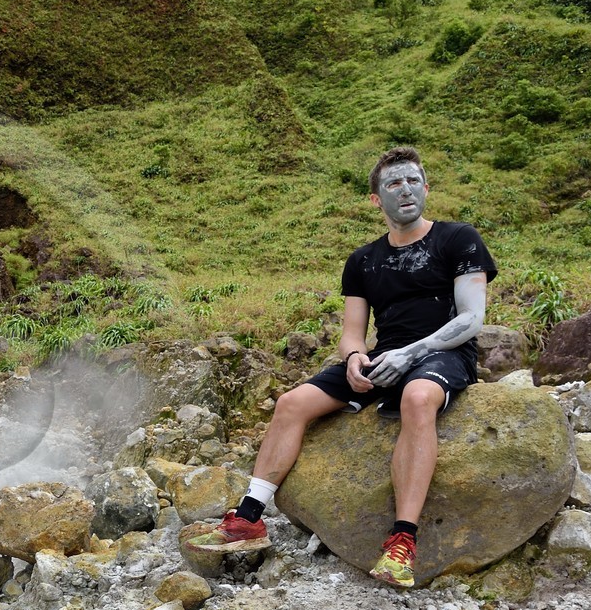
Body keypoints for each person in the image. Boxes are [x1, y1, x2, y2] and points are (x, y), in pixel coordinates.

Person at [189, 146, 497, 587]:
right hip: (381, 357)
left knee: (418, 396)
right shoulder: (364, 260)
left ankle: (402, 542)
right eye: (393, 183)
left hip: (443, 352)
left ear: (426, 188)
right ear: (376, 199)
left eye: (413, 181)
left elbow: (470, 319)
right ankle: (250, 517)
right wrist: (355, 358)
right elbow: (353, 331)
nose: (405, 190)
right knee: (292, 403)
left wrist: (412, 353)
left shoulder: (458, 238)